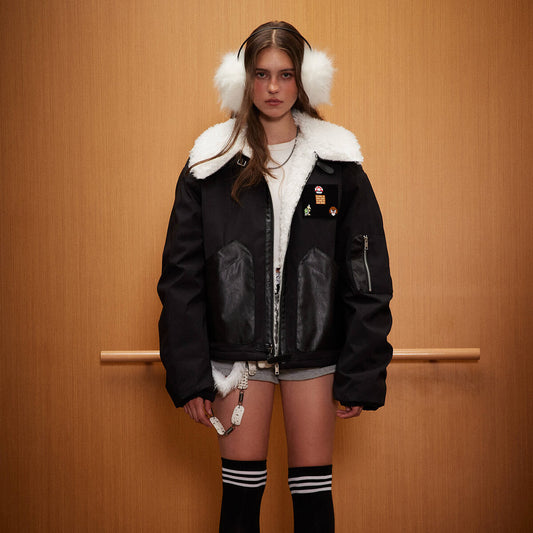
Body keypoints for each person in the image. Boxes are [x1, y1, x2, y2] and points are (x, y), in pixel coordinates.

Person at [157, 21, 393, 533]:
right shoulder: (210, 162)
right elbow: (181, 276)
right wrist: (189, 371)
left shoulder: (338, 163)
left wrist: (361, 370)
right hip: (237, 358)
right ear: (244, 79)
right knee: (240, 505)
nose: (272, 88)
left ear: (303, 80)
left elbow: (366, 272)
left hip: (314, 351)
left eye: (285, 75)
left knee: (313, 506)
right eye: (261, 74)